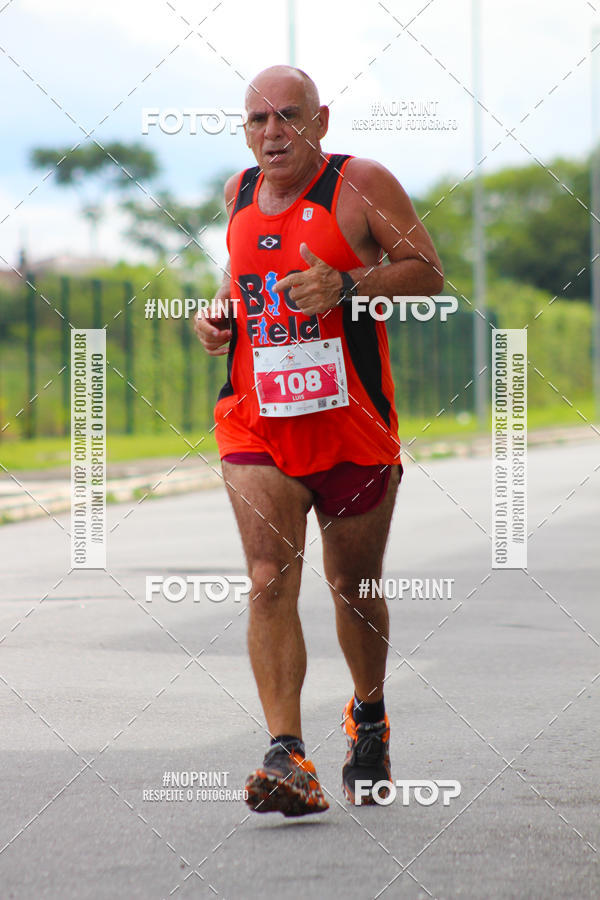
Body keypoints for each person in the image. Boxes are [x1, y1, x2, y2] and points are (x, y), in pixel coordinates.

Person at [194, 65, 443, 815]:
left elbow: (429, 274)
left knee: (354, 585)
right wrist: (217, 317)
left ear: (321, 121)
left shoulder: (362, 185)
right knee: (270, 574)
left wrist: (348, 286)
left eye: (288, 116)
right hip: (257, 421)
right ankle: (285, 754)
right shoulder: (237, 193)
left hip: (352, 427)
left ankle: (368, 714)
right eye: (258, 120)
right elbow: (244, 282)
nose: (272, 133)